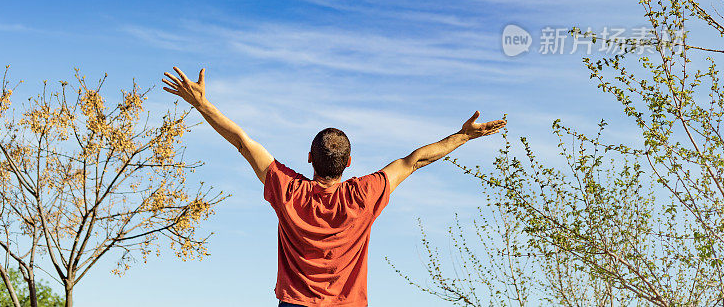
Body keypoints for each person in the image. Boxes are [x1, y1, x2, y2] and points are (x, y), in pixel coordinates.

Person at [162, 67, 505, 307]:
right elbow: (415, 160)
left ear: (309, 157)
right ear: (349, 163)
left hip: (295, 305)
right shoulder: (365, 195)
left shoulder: (287, 189)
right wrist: (463, 136)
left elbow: (241, 140)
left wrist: (201, 103)